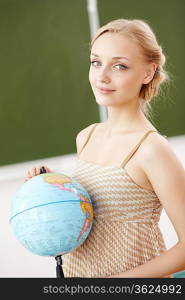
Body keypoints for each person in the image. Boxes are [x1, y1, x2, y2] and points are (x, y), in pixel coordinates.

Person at [25, 19, 185, 278]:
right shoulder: (87, 137)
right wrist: (51, 188)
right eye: (96, 62)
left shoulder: (152, 149)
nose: (102, 76)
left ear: (147, 73)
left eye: (119, 66)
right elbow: (100, 211)